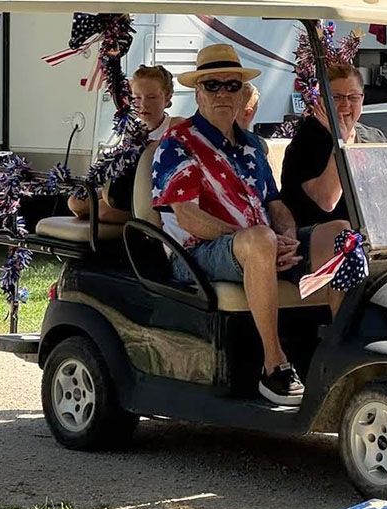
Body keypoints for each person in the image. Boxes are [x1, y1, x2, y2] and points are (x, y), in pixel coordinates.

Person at [151, 43, 346, 405]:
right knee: (258, 240)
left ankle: (341, 355)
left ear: (243, 93)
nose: (223, 93)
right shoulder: (178, 143)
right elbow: (187, 217)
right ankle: (274, 366)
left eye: (231, 85)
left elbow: (275, 202)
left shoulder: (253, 145)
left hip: (257, 244)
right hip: (197, 254)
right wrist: (259, 240)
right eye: (213, 85)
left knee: (340, 234)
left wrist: (286, 235)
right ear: (198, 92)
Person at [281, 61, 386, 228]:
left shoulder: (374, 137)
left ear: (362, 99)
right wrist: (341, 141)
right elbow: (327, 200)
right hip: (319, 234)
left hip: (371, 234)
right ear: (322, 101)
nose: (345, 104)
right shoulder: (308, 139)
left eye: (353, 97)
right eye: (336, 97)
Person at [69, 64, 174, 223]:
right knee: (75, 202)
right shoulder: (134, 131)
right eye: (137, 98)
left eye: (152, 97)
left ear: (167, 98)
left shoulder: (174, 127)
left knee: (104, 212)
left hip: (151, 194)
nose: (144, 104)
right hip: (126, 190)